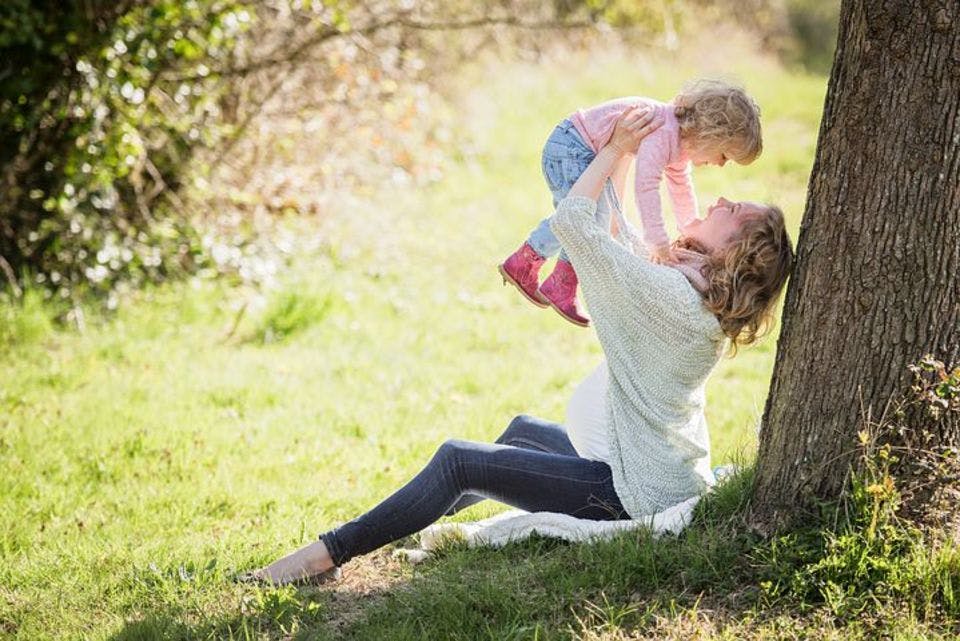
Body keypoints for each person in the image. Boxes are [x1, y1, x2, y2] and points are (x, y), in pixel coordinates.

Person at [241, 107, 793, 586]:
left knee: (460, 460)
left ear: (736, 253)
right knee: (521, 432)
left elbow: (576, 223)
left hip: (630, 491)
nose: (721, 197)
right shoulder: (690, 293)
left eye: (735, 211)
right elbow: (619, 237)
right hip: (643, 465)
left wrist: (618, 149)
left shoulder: (672, 298)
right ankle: (393, 524)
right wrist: (621, 155)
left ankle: (326, 555)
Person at [498, 79, 762, 327]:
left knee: (585, 219)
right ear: (711, 135)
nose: (719, 164)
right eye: (725, 156)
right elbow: (646, 186)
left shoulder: (679, 143)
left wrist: (689, 228)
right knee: (583, 218)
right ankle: (548, 275)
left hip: (579, 149)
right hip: (571, 148)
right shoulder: (664, 132)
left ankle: (543, 272)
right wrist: (657, 241)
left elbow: (681, 188)